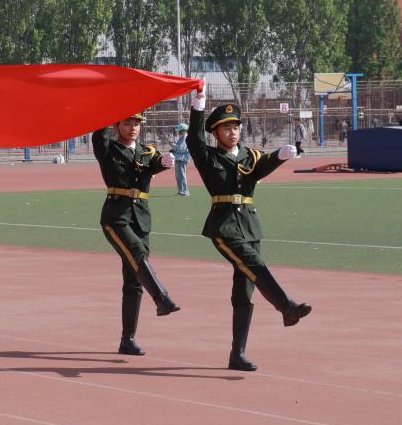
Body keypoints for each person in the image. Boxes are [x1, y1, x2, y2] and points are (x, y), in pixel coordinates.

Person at [187, 92, 312, 371]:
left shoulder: (250, 156)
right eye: (226, 128)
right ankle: (285, 306)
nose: (233, 132)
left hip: (250, 227)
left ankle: (238, 355)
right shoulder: (208, 157)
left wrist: (279, 156)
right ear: (215, 133)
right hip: (224, 226)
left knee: (244, 290)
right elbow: (194, 140)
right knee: (254, 263)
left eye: (236, 127)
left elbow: (261, 166)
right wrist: (198, 107)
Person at [92, 111, 179, 356]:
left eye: (137, 123)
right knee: (138, 252)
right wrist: (108, 105)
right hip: (116, 217)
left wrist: (164, 163)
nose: (133, 128)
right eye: (127, 123)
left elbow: (153, 164)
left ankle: (127, 340)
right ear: (116, 125)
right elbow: (99, 133)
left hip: (140, 218)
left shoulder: (146, 151)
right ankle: (161, 297)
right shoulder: (108, 148)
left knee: (134, 280)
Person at [171, 123, 190, 196]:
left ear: (183, 131)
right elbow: (179, 148)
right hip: (179, 159)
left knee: (181, 176)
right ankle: (181, 191)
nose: (178, 132)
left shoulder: (185, 138)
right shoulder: (182, 138)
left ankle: (184, 192)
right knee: (179, 176)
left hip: (182, 159)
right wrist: (173, 149)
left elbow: (181, 149)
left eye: (179, 131)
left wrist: (173, 145)